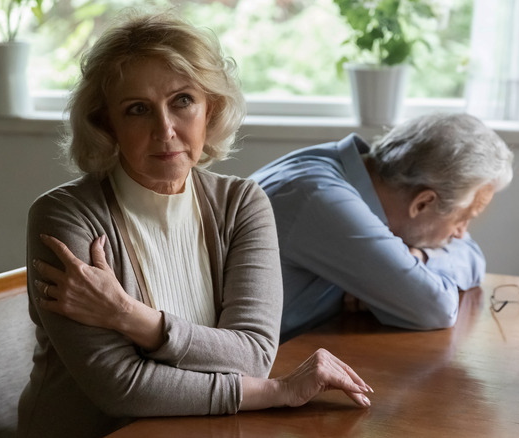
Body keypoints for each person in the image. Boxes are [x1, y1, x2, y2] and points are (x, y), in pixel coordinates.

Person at [19, 12, 371, 438]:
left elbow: (252, 355)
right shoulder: (65, 215)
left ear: (212, 108)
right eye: (137, 109)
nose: (164, 130)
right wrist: (275, 392)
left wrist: (128, 315)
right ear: (106, 123)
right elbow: (122, 389)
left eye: (182, 100)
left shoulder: (242, 204)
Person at [250, 113, 514, 341]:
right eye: (462, 218)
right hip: (242, 381)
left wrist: (421, 257)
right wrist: (408, 280)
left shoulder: (354, 172)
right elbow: (436, 309)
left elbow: (473, 256)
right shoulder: (320, 196)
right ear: (423, 203)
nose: (461, 232)